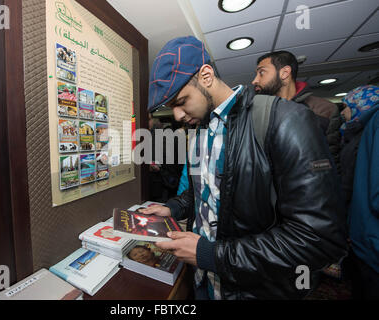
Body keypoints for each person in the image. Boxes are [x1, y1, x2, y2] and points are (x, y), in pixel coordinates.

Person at [139, 36, 347, 300]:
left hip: (253, 290)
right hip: (204, 280)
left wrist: (211, 255)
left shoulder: (284, 120)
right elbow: (206, 193)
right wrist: (174, 207)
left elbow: (318, 238)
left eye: (181, 101)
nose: (177, 115)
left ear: (205, 76)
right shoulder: (200, 130)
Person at [340, 85, 379, 299]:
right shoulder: (353, 132)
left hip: (371, 239)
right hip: (362, 234)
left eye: (346, 106)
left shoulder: (371, 129)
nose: (343, 112)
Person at [252, 51, 337, 133]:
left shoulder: (324, 109)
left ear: (285, 73)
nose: (254, 81)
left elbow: (328, 146)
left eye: (262, 72)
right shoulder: (255, 112)